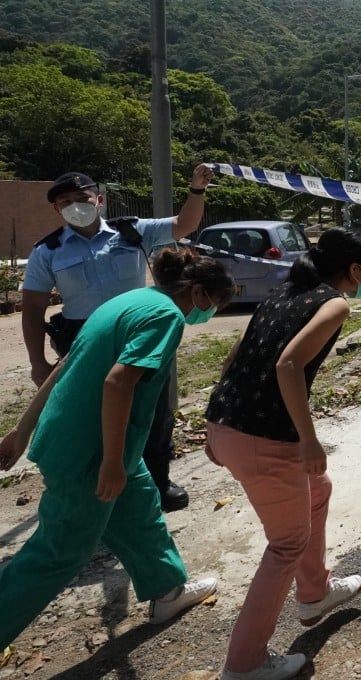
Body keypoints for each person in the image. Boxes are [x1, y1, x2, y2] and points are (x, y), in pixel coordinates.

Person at [0, 247, 234, 650]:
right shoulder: (166, 316)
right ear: (198, 292)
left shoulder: (129, 300)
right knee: (58, 553)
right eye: (214, 302)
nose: (209, 312)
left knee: (139, 506)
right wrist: (110, 462)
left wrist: (22, 431)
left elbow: (67, 363)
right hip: (90, 451)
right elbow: (118, 382)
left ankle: (167, 590)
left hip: (89, 439)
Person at [204, 228, 361, 680]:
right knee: (285, 544)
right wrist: (309, 439)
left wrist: (212, 420)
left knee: (316, 488)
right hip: (265, 437)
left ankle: (315, 592)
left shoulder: (284, 290)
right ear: (353, 269)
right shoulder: (333, 303)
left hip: (229, 425)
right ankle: (244, 663)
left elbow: (239, 353)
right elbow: (288, 364)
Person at [21, 164, 215, 511]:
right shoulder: (47, 251)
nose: (74, 205)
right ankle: (98, 488)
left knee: (154, 410)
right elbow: (32, 309)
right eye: (65, 201)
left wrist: (196, 190)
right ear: (55, 209)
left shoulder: (132, 232)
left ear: (98, 199)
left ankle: (156, 482)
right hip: (84, 340)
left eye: (81, 198)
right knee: (91, 416)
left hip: (142, 332)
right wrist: (38, 362)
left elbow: (183, 225)